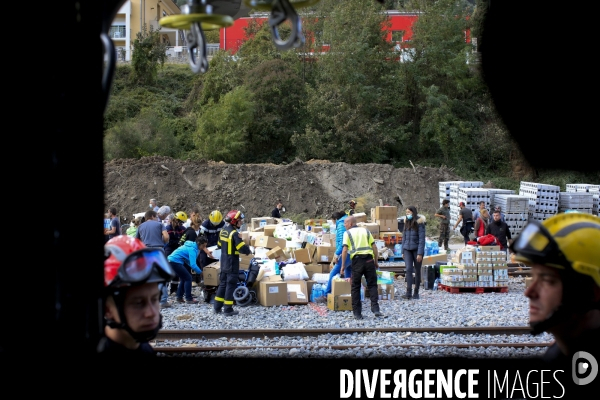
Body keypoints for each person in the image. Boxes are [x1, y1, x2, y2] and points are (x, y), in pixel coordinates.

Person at [511, 213, 599, 367]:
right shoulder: (561, 352)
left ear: (592, 293)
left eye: (548, 280)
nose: (529, 292)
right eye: (533, 277)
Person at [97, 235, 176, 357]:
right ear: (107, 309)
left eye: (155, 299)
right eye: (138, 303)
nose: (151, 313)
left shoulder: (144, 348)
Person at [340, 215, 381, 319]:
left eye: (345, 223)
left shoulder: (347, 233)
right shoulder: (365, 231)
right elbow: (374, 247)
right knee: (372, 285)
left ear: (350, 223)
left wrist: (343, 265)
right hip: (369, 260)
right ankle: (375, 309)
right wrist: (376, 261)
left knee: (355, 286)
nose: (344, 225)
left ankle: (357, 313)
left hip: (357, 261)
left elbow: (345, 250)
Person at [214, 210, 252, 316]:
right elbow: (242, 249)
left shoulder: (223, 231)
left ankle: (217, 307)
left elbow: (219, 245)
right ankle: (228, 309)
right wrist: (248, 249)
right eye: (240, 220)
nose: (241, 222)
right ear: (234, 221)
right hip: (232, 263)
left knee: (222, 284)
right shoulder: (234, 233)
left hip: (224, 261)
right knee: (231, 285)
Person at [136, 210, 171, 309]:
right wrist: (164, 243)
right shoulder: (159, 224)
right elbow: (166, 236)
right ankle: (163, 300)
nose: (157, 219)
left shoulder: (140, 226)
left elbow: (136, 241)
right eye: (156, 217)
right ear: (152, 216)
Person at [168, 235, 207, 305]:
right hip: (175, 262)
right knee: (188, 278)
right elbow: (193, 265)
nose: (204, 248)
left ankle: (179, 297)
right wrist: (200, 272)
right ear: (199, 244)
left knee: (184, 278)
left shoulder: (191, 246)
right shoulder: (193, 250)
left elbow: (188, 261)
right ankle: (189, 298)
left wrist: (196, 269)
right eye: (203, 246)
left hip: (172, 261)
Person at [324, 211, 352, 295]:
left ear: (335, 219)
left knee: (333, 272)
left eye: (332, 221)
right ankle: (348, 293)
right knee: (348, 272)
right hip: (352, 252)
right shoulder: (346, 221)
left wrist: (336, 254)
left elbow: (342, 243)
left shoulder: (341, 225)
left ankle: (326, 294)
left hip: (346, 253)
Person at [401, 206, 426, 300]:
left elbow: (422, 239)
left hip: (416, 250)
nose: (408, 214)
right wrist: (402, 250)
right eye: (406, 212)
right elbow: (404, 237)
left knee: (417, 270)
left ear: (413, 213)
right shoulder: (406, 222)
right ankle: (408, 292)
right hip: (407, 249)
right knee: (408, 269)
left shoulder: (420, 223)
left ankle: (416, 292)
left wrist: (420, 253)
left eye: (409, 212)